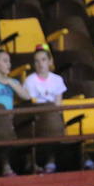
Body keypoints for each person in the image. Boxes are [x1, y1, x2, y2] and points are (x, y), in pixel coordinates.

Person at [0, 47, 31, 176]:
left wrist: (10, 83)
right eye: (5, 61)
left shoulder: (12, 81)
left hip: (12, 120)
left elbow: (26, 96)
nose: (9, 64)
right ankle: (6, 167)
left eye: (9, 61)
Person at [23, 44, 68, 173]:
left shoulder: (57, 79)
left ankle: (51, 160)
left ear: (50, 61)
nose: (40, 64)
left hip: (53, 115)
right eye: (37, 61)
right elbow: (31, 103)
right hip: (37, 117)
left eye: (43, 60)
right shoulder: (29, 81)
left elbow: (58, 102)